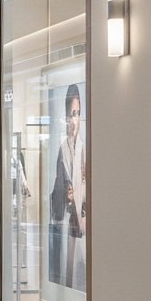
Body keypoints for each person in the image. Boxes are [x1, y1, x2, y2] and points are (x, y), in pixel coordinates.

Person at [50, 84, 86, 289]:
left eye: (78, 114)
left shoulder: (83, 147)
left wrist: (82, 211)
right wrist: (67, 197)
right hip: (69, 220)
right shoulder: (63, 149)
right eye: (72, 114)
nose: (75, 120)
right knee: (69, 269)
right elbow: (59, 186)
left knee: (81, 267)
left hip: (82, 220)